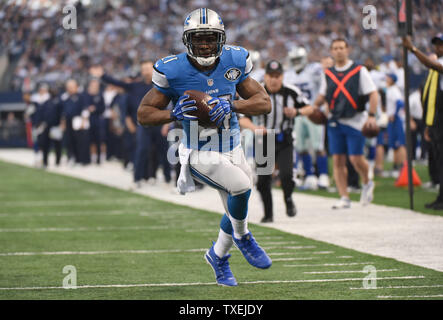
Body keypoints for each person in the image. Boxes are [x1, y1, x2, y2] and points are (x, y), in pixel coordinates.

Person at [137, 8, 272, 286]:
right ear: (188, 41)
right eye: (199, 39)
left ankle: (217, 257)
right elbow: (144, 113)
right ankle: (244, 237)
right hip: (199, 151)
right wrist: (172, 114)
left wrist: (232, 104)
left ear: (221, 39)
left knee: (236, 206)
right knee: (242, 188)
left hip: (233, 145)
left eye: (210, 38)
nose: (205, 44)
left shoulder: (235, 60)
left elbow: (264, 102)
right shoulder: (172, 70)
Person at [240, 60, 313, 223]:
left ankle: (288, 198)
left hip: (284, 139)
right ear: (265, 76)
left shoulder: (292, 92)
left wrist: (297, 111)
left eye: (277, 76)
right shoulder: (255, 93)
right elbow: (242, 119)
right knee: (263, 180)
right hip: (264, 140)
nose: (273, 80)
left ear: (282, 76)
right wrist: (254, 128)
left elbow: (310, 108)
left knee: (287, 175)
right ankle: (268, 213)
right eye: (270, 76)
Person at [313, 38, 378, 209]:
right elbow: (322, 95)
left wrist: (371, 115)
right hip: (335, 119)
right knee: (338, 160)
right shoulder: (327, 73)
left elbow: (373, 94)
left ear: (347, 50)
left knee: (356, 158)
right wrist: (312, 108)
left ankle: (367, 181)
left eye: (341, 47)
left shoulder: (359, 70)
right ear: (331, 51)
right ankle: (344, 197)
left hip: (356, 119)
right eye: (335, 48)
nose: (339, 51)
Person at [403, 34, 443, 210]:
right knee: (438, 159)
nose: (438, 48)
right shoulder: (434, 70)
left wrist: (413, 49)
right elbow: (429, 96)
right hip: (436, 120)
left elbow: (430, 64)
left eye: (441, 45)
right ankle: (441, 197)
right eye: (436, 45)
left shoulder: (436, 65)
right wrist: (429, 123)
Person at [284, 46, 329, 190]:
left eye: (298, 59)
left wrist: (319, 105)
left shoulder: (314, 70)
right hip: (297, 114)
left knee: (318, 146)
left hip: (313, 111)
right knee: (301, 146)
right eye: (294, 59)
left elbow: (324, 85)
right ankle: (309, 175)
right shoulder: (288, 74)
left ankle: (323, 175)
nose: (296, 62)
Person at [385, 73, 407, 177]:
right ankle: (396, 165)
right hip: (391, 118)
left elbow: (399, 103)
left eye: (388, 77)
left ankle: (403, 166)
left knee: (400, 143)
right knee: (393, 143)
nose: (386, 79)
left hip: (396, 119)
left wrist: (394, 114)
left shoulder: (394, 90)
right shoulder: (390, 89)